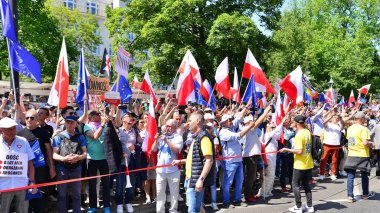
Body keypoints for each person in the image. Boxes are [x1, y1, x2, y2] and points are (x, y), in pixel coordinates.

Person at [219, 104, 270, 209]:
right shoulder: (223, 132)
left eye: (230, 119)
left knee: (240, 181)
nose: (231, 121)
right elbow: (239, 135)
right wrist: (251, 126)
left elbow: (239, 117)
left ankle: (237, 200)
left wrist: (246, 106)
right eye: (228, 120)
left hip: (238, 159)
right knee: (228, 183)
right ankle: (226, 201)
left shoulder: (232, 127)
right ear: (223, 123)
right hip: (230, 161)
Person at [173, 111, 215, 213]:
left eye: (190, 120)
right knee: (198, 208)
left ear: (197, 121)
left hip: (195, 179)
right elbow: (195, 158)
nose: (188, 123)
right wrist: (181, 161)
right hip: (191, 179)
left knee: (193, 210)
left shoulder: (203, 137)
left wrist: (201, 179)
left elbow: (209, 160)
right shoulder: (197, 137)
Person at [17, 109, 55, 213]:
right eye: (27, 117)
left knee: (40, 196)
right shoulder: (19, 134)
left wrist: (52, 168)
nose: (29, 120)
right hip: (24, 170)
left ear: (37, 119)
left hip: (40, 170)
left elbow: (49, 151)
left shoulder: (43, 132)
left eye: (32, 118)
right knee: (26, 196)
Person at [0, 117, 37, 213]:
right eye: (8, 129)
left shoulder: (23, 141)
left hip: (22, 185)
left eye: (13, 128)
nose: (12, 131)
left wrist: (32, 181)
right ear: (1, 130)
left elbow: (30, 162)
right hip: (3, 186)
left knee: (23, 211)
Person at [52, 115, 87, 213]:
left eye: (72, 122)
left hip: (76, 168)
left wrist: (78, 158)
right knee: (62, 194)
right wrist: (64, 159)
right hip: (62, 169)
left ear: (76, 123)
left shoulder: (80, 137)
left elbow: (85, 153)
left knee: (76, 194)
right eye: (67, 122)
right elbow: (54, 154)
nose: (69, 124)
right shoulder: (58, 137)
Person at [280, 115, 314, 213]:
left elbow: (299, 151)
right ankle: (309, 206)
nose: (292, 123)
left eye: (293, 121)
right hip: (308, 163)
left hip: (300, 164)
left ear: (297, 123)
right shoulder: (307, 132)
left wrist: (287, 149)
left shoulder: (299, 134)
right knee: (306, 185)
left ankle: (298, 206)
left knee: (295, 185)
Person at [152, 119, 183, 213]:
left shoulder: (178, 137)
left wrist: (166, 140)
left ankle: (173, 210)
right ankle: (160, 211)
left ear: (175, 127)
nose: (167, 128)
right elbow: (153, 150)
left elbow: (176, 151)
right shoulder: (162, 136)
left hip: (173, 170)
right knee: (160, 193)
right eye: (166, 126)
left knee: (174, 193)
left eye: (169, 126)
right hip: (161, 171)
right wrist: (156, 140)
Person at [84, 110, 111, 213]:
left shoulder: (104, 126)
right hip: (91, 159)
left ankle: (106, 206)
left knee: (106, 184)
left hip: (104, 159)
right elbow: (95, 136)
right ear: (91, 117)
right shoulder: (87, 127)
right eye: (97, 115)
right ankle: (93, 207)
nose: (100, 116)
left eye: (100, 114)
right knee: (92, 184)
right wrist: (103, 124)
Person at [344, 111, 373, 203]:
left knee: (350, 176)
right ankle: (365, 194)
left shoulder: (350, 129)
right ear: (361, 119)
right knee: (364, 176)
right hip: (362, 154)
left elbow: (350, 141)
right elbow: (365, 142)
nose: (365, 120)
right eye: (364, 118)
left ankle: (350, 196)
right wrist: (371, 144)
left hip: (352, 154)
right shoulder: (364, 129)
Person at [318, 109, 344, 181]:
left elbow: (344, 125)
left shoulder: (339, 125)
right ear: (332, 118)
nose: (336, 119)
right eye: (334, 118)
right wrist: (331, 115)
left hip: (336, 145)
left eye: (337, 118)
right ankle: (321, 174)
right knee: (323, 159)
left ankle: (333, 174)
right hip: (327, 144)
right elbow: (324, 122)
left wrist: (340, 118)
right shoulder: (328, 125)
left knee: (334, 160)